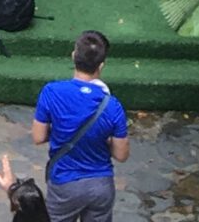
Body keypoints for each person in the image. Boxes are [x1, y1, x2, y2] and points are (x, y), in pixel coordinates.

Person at [32, 29, 129, 222]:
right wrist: (100, 138)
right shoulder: (112, 105)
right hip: (100, 185)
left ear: (73, 56)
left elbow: (38, 137)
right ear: (101, 66)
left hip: (64, 185)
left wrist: (61, 131)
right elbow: (121, 155)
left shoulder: (51, 92)